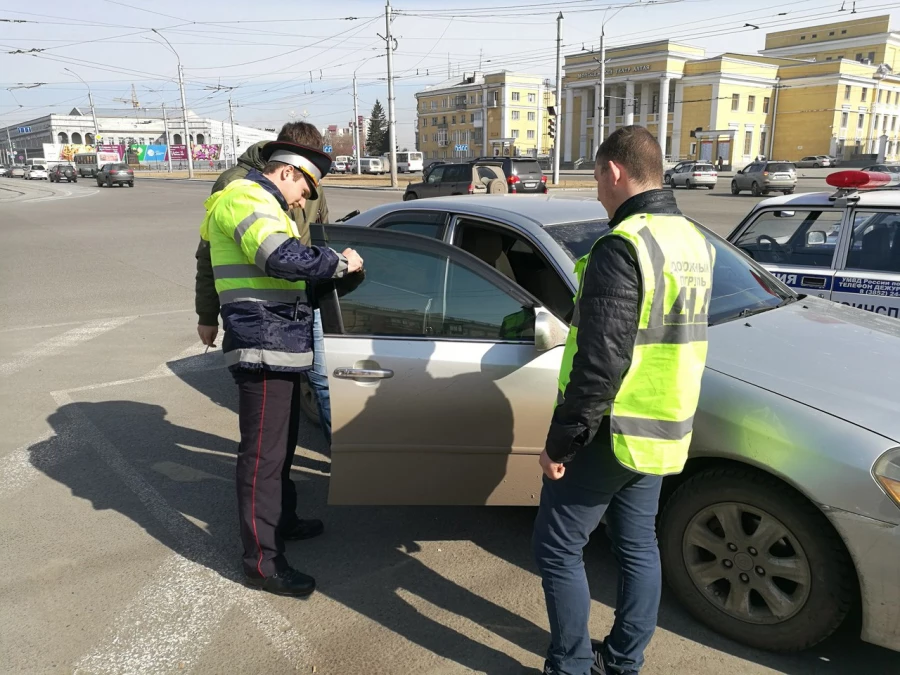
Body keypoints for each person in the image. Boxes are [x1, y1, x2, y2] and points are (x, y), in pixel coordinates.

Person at [532, 125, 714, 675]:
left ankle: (569, 666)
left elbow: (599, 363)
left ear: (615, 172)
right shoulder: (693, 239)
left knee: (557, 548)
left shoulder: (624, 244)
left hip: (612, 430)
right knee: (637, 546)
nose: (596, 191)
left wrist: (561, 443)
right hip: (664, 426)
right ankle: (623, 661)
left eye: (595, 179)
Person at [199, 140, 363, 596]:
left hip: (278, 341)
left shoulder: (263, 201)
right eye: (306, 188)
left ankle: (283, 521)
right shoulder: (246, 198)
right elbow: (281, 258)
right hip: (263, 344)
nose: (304, 200)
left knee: (280, 448)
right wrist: (339, 263)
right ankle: (263, 563)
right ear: (287, 173)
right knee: (263, 460)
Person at [196, 122, 334, 444]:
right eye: (302, 191)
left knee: (315, 387)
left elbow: (323, 233)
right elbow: (210, 254)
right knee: (265, 445)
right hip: (262, 318)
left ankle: (340, 466)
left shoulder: (310, 182)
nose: (302, 201)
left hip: (301, 299)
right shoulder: (238, 187)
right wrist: (206, 314)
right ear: (288, 165)